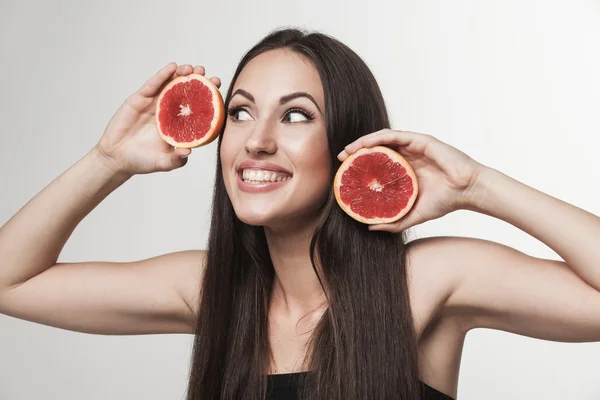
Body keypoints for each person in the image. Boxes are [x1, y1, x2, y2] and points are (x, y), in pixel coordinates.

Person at [1, 27, 599, 400]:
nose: (256, 141)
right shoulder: (211, 291)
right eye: (239, 112)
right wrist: (109, 160)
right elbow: (11, 281)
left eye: (295, 115)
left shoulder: (427, 281)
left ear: (349, 143)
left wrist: (477, 185)